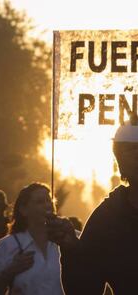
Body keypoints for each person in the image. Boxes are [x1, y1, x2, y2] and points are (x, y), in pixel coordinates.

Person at [47, 122, 138, 294]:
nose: (137, 154)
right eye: (130, 149)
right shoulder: (107, 218)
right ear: (120, 161)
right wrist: (72, 250)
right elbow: (85, 290)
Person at [0, 182, 64, 295]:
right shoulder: (7, 244)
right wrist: (10, 271)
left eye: (49, 200)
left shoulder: (67, 238)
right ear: (23, 210)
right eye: (39, 202)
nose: (47, 205)